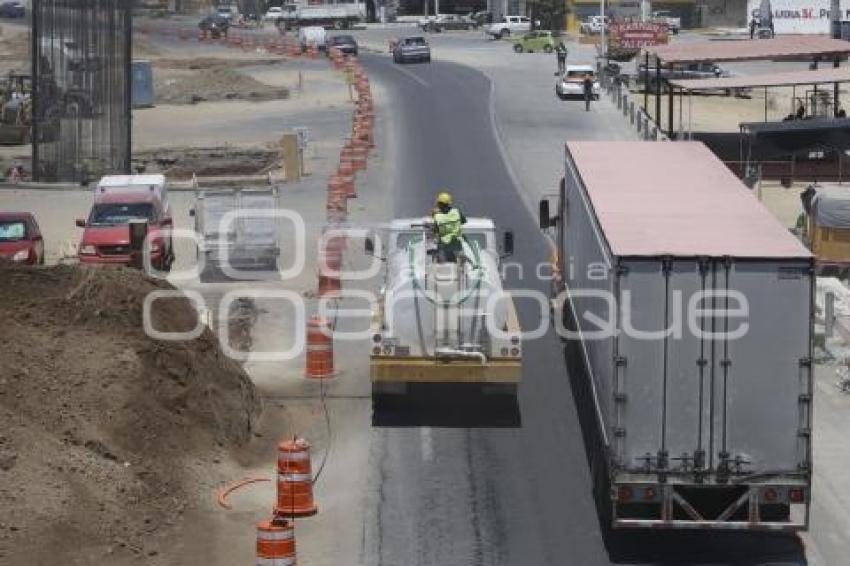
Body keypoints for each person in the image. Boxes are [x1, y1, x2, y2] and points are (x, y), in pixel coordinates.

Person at [431, 191, 466, 263]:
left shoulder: (438, 216)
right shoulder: (457, 212)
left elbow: (435, 230)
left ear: (440, 204)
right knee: (460, 265)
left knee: (443, 268)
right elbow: (463, 221)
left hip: (444, 246)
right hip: (456, 244)